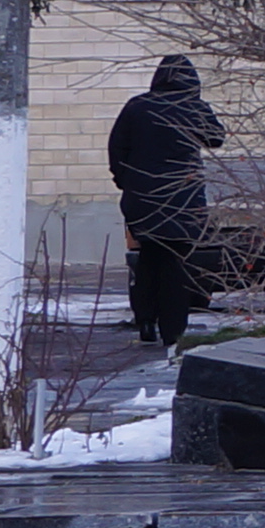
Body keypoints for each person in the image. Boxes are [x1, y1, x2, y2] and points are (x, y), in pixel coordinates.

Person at [108, 54, 224, 345]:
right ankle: (173, 331)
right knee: (175, 261)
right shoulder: (193, 107)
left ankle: (146, 320)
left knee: (149, 255)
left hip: (142, 197)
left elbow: (116, 148)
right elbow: (216, 137)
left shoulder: (137, 107)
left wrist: (127, 182)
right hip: (182, 198)